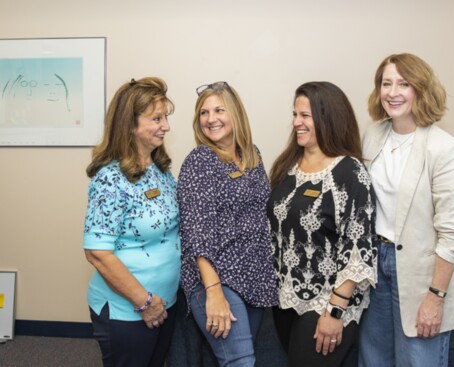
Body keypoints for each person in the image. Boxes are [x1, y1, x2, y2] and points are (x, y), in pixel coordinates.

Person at [358, 53, 454, 367]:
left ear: (421, 89)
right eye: (386, 83)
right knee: (373, 359)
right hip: (376, 267)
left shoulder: (445, 149)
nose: (393, 92)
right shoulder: (373, 137)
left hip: (422, 275)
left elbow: (452, 234)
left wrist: (435, 297)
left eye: (404, 84)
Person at [267, 81, 377, 367]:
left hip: (326, 305)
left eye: (305, 116)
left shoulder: (349, 173)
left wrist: (336, 312)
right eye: (295, 115)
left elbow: (358, 248)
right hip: (286, 299)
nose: (296, 123)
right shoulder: (287, 166)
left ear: (328, 119)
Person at [177, 81, 278, 367]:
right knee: (240, 362)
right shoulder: (200, 161)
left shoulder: (252, 155)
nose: (211, 119)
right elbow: (196, 232)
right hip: (216, 276)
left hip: (254, 275)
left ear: (235, 114)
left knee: (237, 358)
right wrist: (214, 292)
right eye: (204, 113)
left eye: (219, 110)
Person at [83, 77, 180, 367]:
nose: (166, 126)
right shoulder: (110, 179)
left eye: (166, 117)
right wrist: (145, 302)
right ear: (130, 124)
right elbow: (97, 253)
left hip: (165, 302)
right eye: (156, 118)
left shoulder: (160, 170)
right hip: (130, 310)